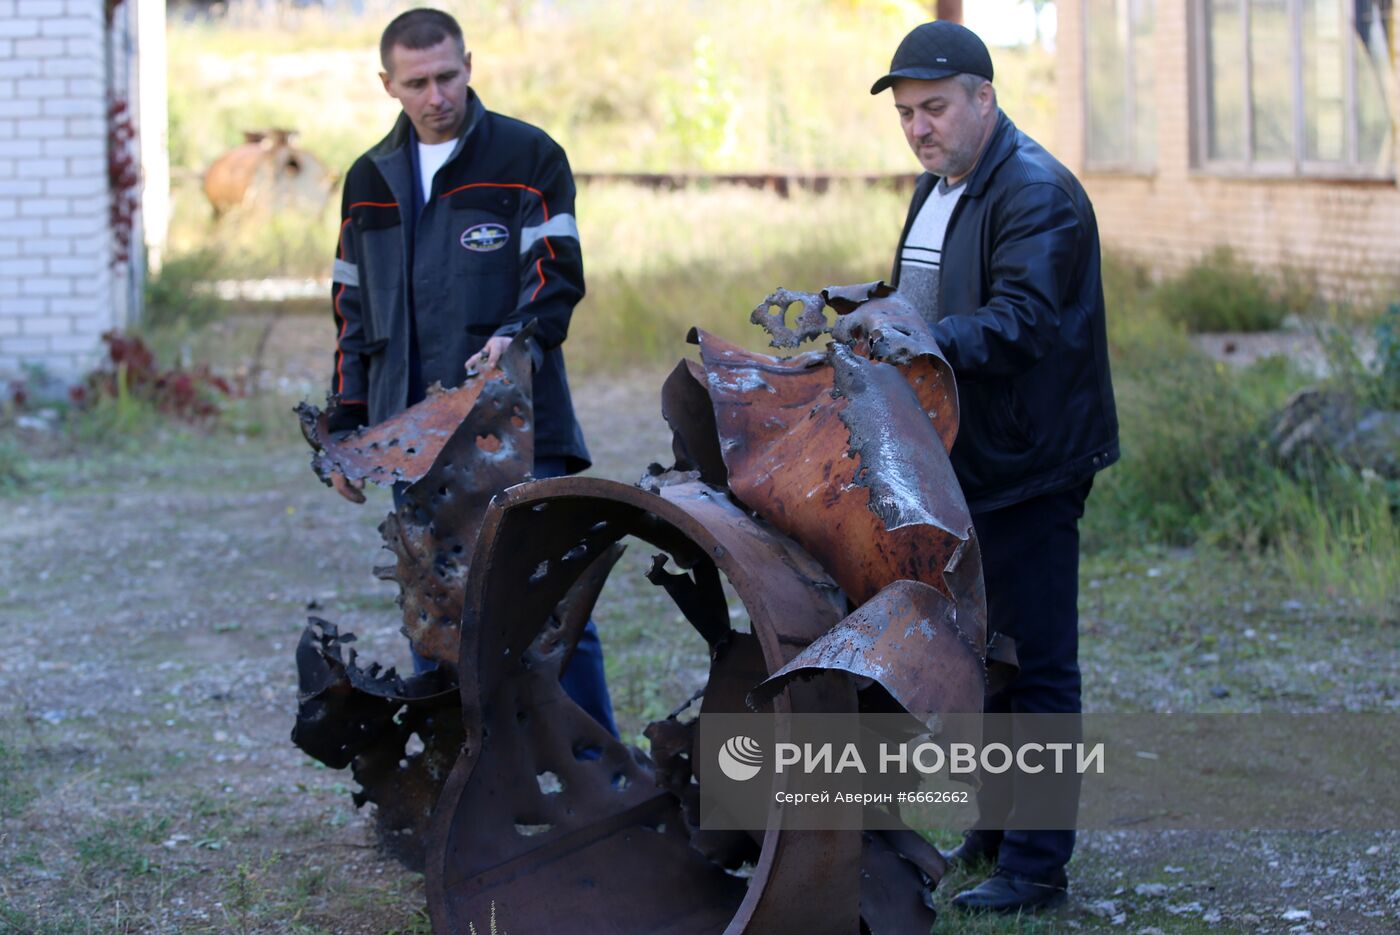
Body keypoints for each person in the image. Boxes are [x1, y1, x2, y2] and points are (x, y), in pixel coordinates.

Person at [870, 21, 1120, 913]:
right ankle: (995, 829)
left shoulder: (1036, 191)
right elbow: (922, 296)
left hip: (1031, 462)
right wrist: (868, 309)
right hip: (964, 460)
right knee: (990, 658)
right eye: (906, 113)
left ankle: (1037, 868)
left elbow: (1022, 323)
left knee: (1041, 665)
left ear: (985, 97)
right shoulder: (939, 188)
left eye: (934, 107)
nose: (919, 127)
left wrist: (912, 337)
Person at [323, 7, 615, 735]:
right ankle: (455, 782)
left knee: (553, 605)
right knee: (435, 614)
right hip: (412, 443)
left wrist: (517, 335)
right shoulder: (367, 181)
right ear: (387, 84)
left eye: (447, 76)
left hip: (515, 427)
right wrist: (345, 430)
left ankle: (598, 776)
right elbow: (351, 316)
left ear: (470, 66)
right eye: (416, 82)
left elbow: (556, 276)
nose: (436, 96)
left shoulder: (527, 157)